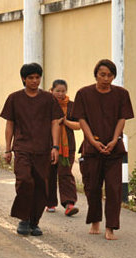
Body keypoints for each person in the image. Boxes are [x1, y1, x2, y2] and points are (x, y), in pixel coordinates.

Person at [72, 59, 134, 240]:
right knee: (92, 187)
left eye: (110, 75)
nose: (106, 79)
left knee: (114, 189)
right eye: (102, 75)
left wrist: (115, 139)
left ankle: (111, 227)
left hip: (114, 149)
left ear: (114, 76)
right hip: (92, 149)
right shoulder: (84, 94)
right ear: (96, 75)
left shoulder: (122, 94)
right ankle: (95, 221)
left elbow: (122, 118)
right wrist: (91, 140)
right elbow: (81, 119)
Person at [1, 63, 63, 236]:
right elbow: (10, 124)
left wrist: (55, 147)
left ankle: (34, 222)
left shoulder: (48, 99)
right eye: (31, 78)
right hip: (22, 148)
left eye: (37, 77)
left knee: (41, 186)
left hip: (43, 149)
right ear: (23, 79)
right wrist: (8, 149)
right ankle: (24, 219)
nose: (35, 81)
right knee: (24, 181)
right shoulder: (14, 98)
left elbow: (55, 123)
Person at [47, 79, 80, 216]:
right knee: (49, 173)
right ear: (51, 90)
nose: (60, 94)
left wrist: (64, 121)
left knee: (65, 173)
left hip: (68, 147)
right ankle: (50, 203)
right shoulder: (46, 105)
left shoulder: (72, 106)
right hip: (48, 144)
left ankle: (69, 203)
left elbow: (78, 125)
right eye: (58, 91)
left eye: (63, 91)